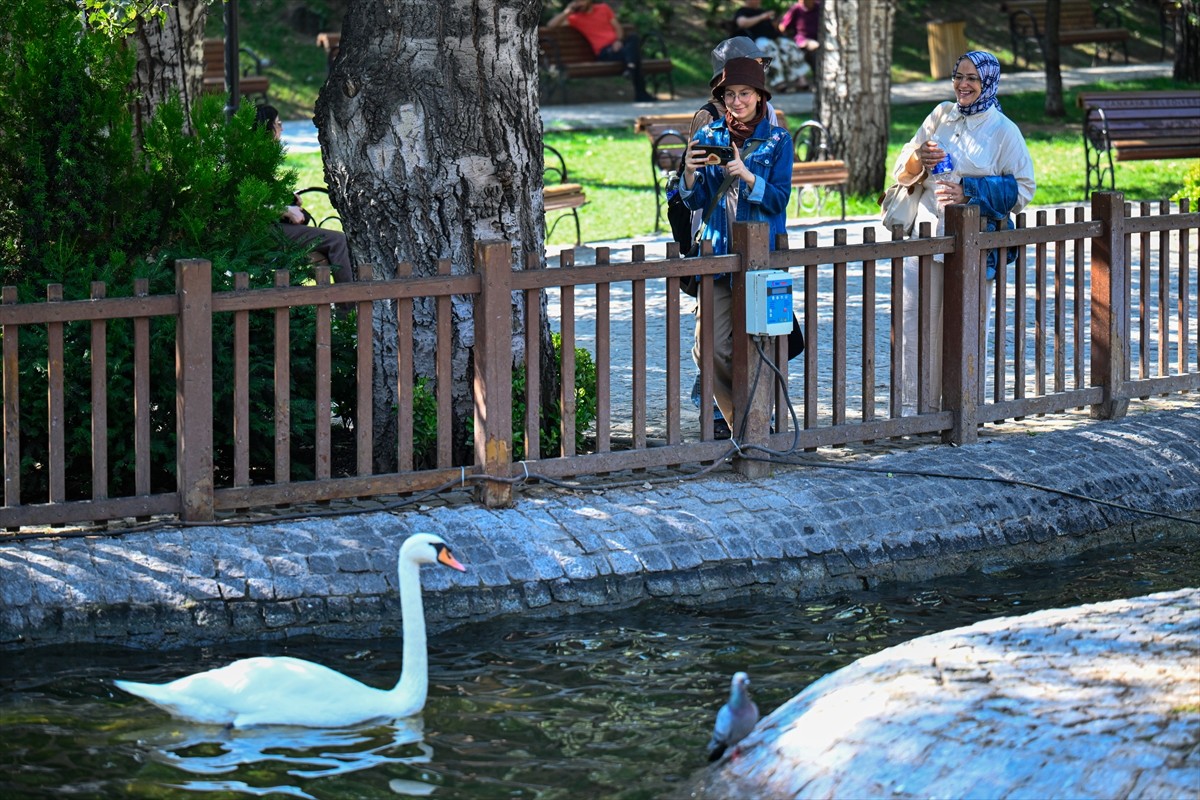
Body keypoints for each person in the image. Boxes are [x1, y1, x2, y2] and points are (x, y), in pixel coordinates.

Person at [890, 51, 1035, 414]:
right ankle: (915, 411)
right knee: (915, 324)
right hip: (925, 234)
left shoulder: (1004, 131)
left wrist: (969, 190)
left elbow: (1024, 189)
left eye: (973, 78)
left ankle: (963, 409)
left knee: (964, 326)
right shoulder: (940, 114)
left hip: (971, 243)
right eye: (959, 76)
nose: (963, 84)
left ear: (988, 83)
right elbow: (901, 171)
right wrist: (917, 159)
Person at [678, 57, 794, 430]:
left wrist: (747, 176)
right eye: (730, 94)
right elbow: (696, 202)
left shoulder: (778, 140)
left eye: (745, 93)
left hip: (761, 257)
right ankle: (745, 425)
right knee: (708, 349)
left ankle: (755, 426)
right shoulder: (711, 135)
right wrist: (691, 174)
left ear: (760, 96)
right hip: (717, 253)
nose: (737, 101)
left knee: (761, 344)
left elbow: (778, 199)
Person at [254, 105, 354, 284]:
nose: (282, 128)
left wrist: (289, 199)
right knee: (338, 241)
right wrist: (284, 209)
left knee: (327, 246)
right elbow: (247, 205)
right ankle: (349, 309)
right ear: (267, 128)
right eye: (278, 123)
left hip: (267, 229)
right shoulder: (253, 159)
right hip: (260, 233)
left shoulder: (260, 157)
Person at [546, 0, 655, 102]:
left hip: (619, 48)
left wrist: (618, 41)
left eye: (582, 0)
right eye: (577, 1)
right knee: (634, 56)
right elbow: (551, 25)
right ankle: (634, 77)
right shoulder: (575, 18)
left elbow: (617, 28)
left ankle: (630, 67)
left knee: (633, 38)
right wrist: (567, 12)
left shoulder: (603, 8)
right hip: (605, 53)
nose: (579, 3)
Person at [731, 0, 810, 92]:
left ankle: (800, 78)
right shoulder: (742, 11)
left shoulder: (762, 11)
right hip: (756, 40)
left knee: (790, 46)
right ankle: (778, 82)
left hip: (774, 37)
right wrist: (762, 17)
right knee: (769, 47)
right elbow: (742, 23)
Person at [779, 0, 821, 81]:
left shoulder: (820, 8)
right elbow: (782, 27)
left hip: (819, 39)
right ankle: (817, 78)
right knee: (814, 47)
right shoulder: (796, 9)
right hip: (802, 41)